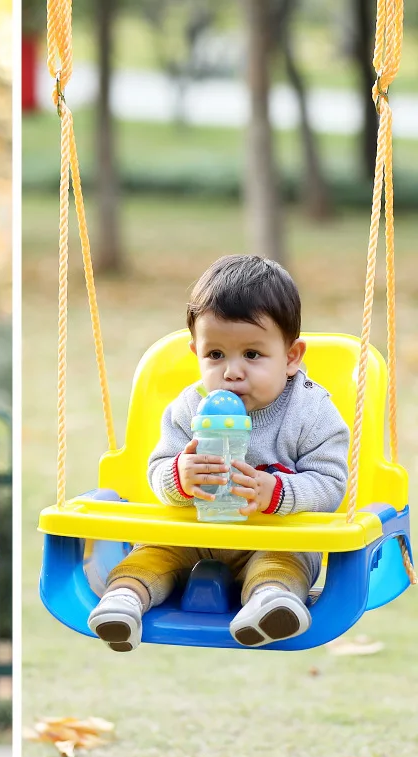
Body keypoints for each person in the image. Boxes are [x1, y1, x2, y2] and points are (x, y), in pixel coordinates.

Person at [87, 254, 349, 650]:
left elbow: (331, 486)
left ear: (291, 357)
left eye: (253, 355)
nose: (232, 372)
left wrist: (274, 493)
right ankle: (123, 602)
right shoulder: (189, 407)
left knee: (284, 563)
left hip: (273, 538)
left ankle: (269, 606)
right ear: (197, 354)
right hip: (192, 533)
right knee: (151, 554)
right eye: (215, 355)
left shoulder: (311, 410)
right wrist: (180, 477)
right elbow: (158, 469)